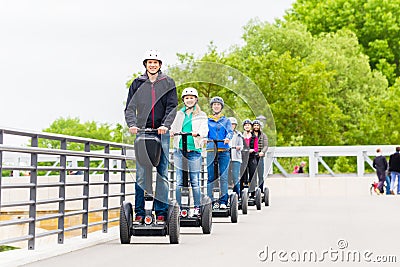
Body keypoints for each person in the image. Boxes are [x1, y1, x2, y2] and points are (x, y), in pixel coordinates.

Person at [124, 49, 178, 223]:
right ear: (145, 65)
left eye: (155, 62)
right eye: (149, 62)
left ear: (160, 65)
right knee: (141, 174)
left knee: (162, 173)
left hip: (161, 134)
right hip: (142, 133)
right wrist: (132, 124)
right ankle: (139, 212)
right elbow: (130, 107)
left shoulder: (168, 82)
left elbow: (172, 107)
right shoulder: (137, 83)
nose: (152, 65)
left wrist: (165, 125)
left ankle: (161, 211)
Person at [170, 87, 208, 216]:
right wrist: (171, 132)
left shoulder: (201, 115)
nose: (189, 100)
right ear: (184, 100)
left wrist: (199, 134)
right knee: (179, 181)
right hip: (179, 150)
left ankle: (197, 208)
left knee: (195, 181)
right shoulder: (178, 114)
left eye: (192, 98)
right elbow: (172, 127)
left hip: (194, 150)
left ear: (196, 99)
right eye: (187, 98)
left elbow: (205, 129)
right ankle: (180, 209)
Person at [206, 96, 233, 209]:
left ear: (221, 107)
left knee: (223, 177)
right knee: (211, 177)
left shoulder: (226, 120)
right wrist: (204, 138)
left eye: (218, 104)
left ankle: (223, 201)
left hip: (223, 150)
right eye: (214, 104)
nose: (216, 106)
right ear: (212, 106)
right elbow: (204, 132)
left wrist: (227, 138)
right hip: (211, 150)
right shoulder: (207, 120)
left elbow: (230, 132)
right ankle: (209, 202)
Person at [240, 119, 258, 197]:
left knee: (252, 173)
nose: (247, 126)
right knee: (242, 175)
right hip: (243, 157)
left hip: (251, 157)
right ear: (244, 127)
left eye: (248, 125)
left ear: (250, 126)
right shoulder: (240, 136)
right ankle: (241, 192)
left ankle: (252, 192)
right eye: (245, 125)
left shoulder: (254, 136)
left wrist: (252, 150)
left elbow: (256, 147)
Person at [228, 117, 243, 198]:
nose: (232, 126)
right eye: (230, 124)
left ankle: (238, 194)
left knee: (235, 176)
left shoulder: (238, 134)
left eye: (233, 124)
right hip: (227, 157)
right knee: (226, 176)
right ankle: (227, 193)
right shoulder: (225, 133)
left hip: (236, 158)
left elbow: (242, 146)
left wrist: (238, 147)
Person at [252, 119, 268, 192]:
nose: (256, 127)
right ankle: (252, 190)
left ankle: (260, 190)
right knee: (253, 174)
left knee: (260, 174)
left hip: (260, 156)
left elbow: (266, 146)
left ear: (259, 126)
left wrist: (262, 152)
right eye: (254, 125)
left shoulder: (263, 135)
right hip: (252, 156)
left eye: (257, 125)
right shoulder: (250, 135)